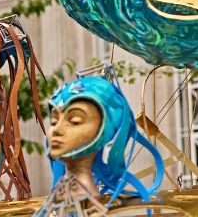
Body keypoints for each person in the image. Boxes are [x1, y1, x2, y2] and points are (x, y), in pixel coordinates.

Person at [37, 74, 164, 214]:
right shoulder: (60, 192)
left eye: (75, 120)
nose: (56, 130)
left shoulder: (88, 204)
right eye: (54, 121)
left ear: (104, 130)